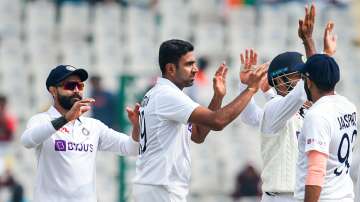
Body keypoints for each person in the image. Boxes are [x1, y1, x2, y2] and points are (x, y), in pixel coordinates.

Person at [133, 39, 267, 202]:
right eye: (189, 64)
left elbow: (198, 134)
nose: (196, 69)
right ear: (171, 68)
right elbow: (218, 121)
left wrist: (217, 97)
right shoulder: (167, 95)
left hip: (158, 187)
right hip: (160, 189)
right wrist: (251, 89)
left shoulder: (161, 93)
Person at [238, 4, 337, 202]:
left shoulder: (301, 110)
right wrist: (248, 87)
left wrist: (326, 56)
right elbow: (251, 116)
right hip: (280, 197)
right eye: (298, 75)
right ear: (280, 81)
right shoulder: (274, 110)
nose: (304, 79)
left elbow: (317, 92)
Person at [21, 65, 140, 202]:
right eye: (70, 86)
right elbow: (27, 141)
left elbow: (132, 148)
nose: (76, 90)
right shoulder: (41, 120)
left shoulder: (93, 126)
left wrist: (136, 126)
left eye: (80, 86)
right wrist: (66, 119)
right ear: (53, 90)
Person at [294, 54, 358, 202]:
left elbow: (316, 170)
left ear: (309, 82)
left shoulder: (317, 115)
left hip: (324, 198)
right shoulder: (349, 106)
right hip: (344, 196)